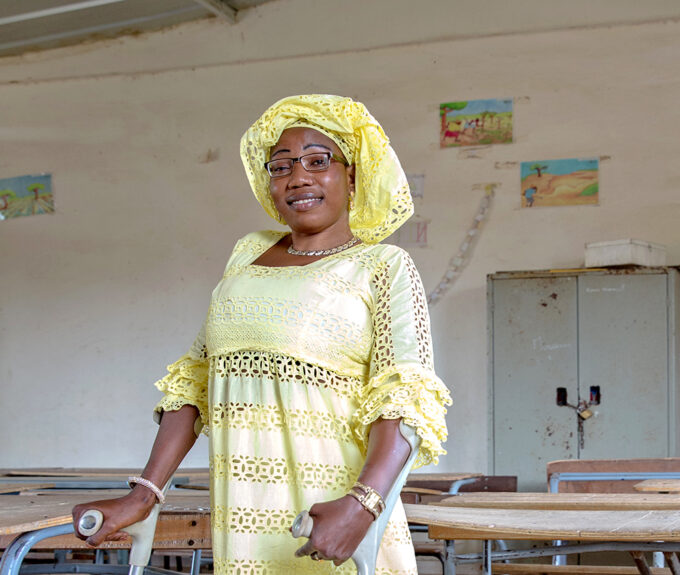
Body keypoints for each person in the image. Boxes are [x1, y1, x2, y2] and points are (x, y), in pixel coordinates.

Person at [71, 94, 452, 575]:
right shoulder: (246, 256)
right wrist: (144, 493)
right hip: (244, 521)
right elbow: (196, 381)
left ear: (352, 175)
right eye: (281, 166)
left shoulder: (384, 266)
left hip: (334, 518)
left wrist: (362, 504)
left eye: (318, 161)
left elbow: (406, 398)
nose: (298, 177)